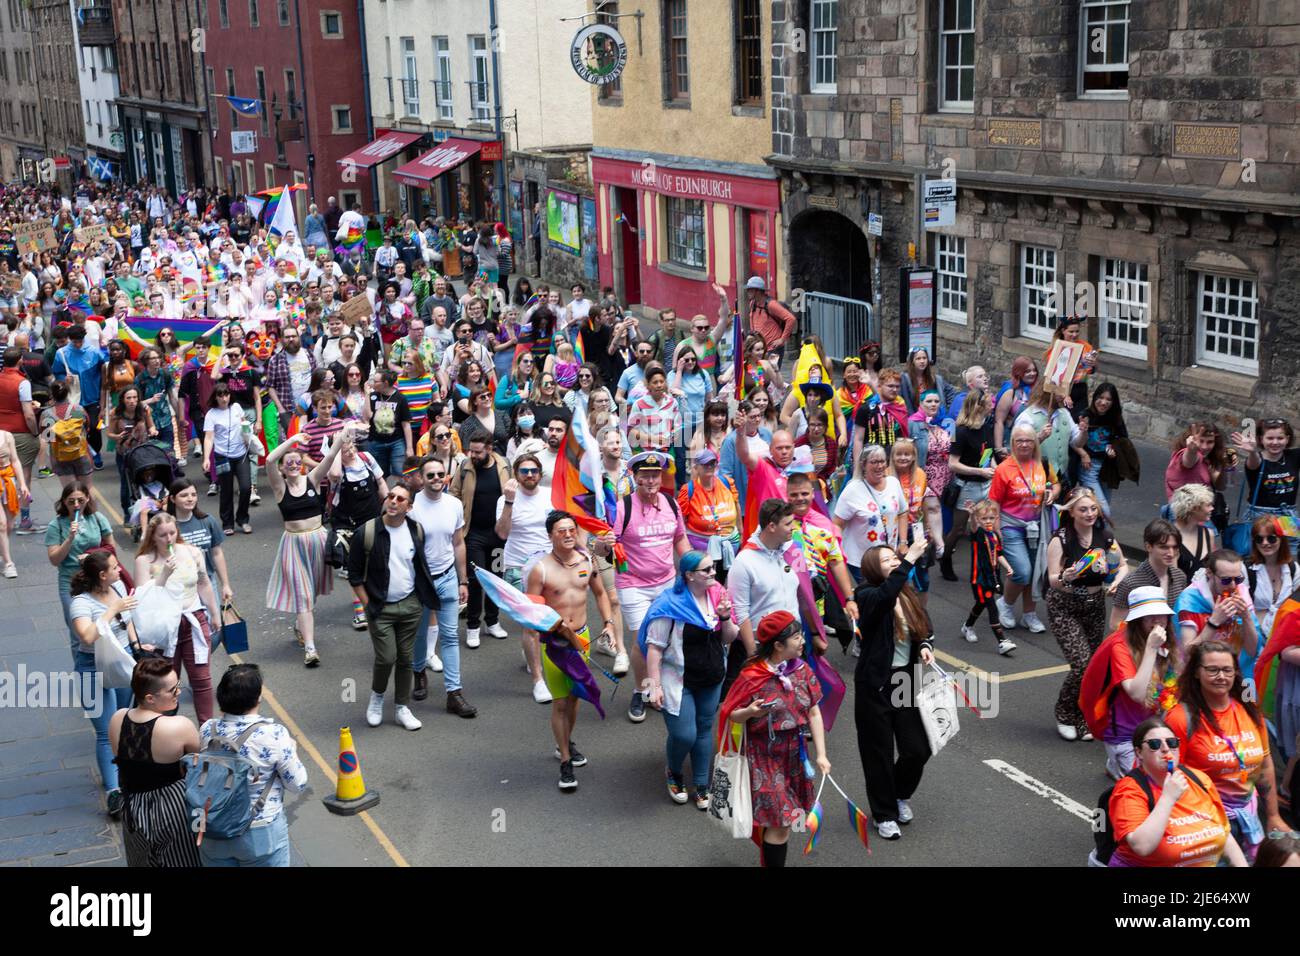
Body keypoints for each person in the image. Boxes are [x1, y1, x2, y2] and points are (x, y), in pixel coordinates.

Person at [716, 610, 831, 867]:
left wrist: (821, 755)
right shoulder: (751, 676)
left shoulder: (802, 671)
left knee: (784, 824)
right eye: (797, 637)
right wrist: (750, 712)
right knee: (781, 824)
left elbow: (814, 712)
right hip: (763, 759)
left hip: (794, 755)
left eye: (802, 635)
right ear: (778, 645)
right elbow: (730, 715)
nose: (803, 641)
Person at [1166, 641, 1288, 862]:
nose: (1221, 676)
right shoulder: (1179, 719)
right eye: (1212, 670)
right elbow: (1168, 776)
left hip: (1248, 818)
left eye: (1227, 670)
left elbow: (1266, 765)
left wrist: (1272, 815)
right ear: (1196, 672)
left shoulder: (1250, 712)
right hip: (1204, 823)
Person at [592, 451, 690, 722]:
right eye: (644, 475)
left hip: (667, 582)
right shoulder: (623, 507)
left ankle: (661, 685)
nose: (650, 480)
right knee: (644, 639)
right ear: (634, 478)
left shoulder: (671, 504)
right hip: (633, 583)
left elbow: (680, 539)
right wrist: (604, 544)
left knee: (668, 638)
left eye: (655, 474)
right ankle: (641, 689)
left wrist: (693, 564)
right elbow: (601, 548)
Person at [526, 510, 617, 791]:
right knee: (561, 702)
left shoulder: (586, 561)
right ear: (550, 535)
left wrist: (609, 624)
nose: (567, 534)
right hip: (555, 644)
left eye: (571, 530)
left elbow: (601, 594)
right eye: (560, 531)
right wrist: (536, 665)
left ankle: (565, 741)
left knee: (576, 698)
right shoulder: (540, 569)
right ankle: (565, 759)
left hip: (583, 638)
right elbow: (531, 613)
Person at [852, 536, 934, 840]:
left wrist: (924, 644)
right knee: (878, 753)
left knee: (917, 749)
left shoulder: (906, 592)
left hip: (905, 681)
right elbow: (885, 597)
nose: (895, 562)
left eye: (895, 559)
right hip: (876, 685)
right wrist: (910, 558)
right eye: (887, 560)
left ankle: (899, 794)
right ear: (874, 568)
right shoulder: (867, 595)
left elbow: (925, 625)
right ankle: (884, 814)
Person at [643, 551, 737, 808]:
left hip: (712, 676)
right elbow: (654, 648)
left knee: (705, 728)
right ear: (689, 575)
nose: (713, 573)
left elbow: (728, 639)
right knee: (685, 734)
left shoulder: (718, 594)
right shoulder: (669, 604)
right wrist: (654, 685)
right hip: (678, 680)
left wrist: (725, 617)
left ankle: (701, 783)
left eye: (713, 568)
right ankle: (674, 771)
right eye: (707, 570)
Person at [349, 480, 440, 730]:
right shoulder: (366, 532)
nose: (393, 501)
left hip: (410, 605)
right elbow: (354, 575)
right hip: (380, 607)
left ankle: (402, 706)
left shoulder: (416, 530)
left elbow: (420, 566)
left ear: (408, 507)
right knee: (386, 657)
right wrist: (369, 606)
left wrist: (420, 600)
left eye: (400, 499)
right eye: (390, 496)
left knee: (406, 659)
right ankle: (377, 698)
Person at [198, 664, 310, 866]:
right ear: (258, 697)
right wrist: (292, 750)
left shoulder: (208, 729)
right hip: (259, 832)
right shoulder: (274, 734)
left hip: (214, 828)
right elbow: (298, 784)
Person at [1105, 715, 1245, 867]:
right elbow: (1141, 846)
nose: (1165, 748)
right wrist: (1168, 798)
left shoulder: (1199, 779)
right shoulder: (1129, 791)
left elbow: (1223, 833)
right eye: (1154, 744)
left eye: (1172, 742)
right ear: (1139, 753)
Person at [1045, 487, 1128, 741]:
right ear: (1071, 512)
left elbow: (1122, 565)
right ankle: (1064, 713)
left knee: (1093, 667)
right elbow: (1052, 579)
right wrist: (1064, 576)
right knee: (1081, 664)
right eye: (1083, 509)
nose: (1090, 513)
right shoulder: (1060, 539)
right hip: (1064, 605)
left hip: (1094, 605)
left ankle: (1083, 716)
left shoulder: (1105, 535)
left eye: (1093, 508)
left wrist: (1117, 582)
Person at [68, 550, 142, 819]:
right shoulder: (80, 603)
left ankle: (121, 773)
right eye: (113, 567)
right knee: (104, 731)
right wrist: (112, 610)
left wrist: (137, 648)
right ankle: (113, 792)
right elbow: (87, 636)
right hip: (92, 668)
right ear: (101, 575)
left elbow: (129, 622)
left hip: (121, 663)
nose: (119, 570)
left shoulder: (119, 587)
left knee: (121, 725)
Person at [108, 657, 202, 867]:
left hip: (132, 808)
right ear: (150, 697)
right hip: (173, 808)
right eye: (172, 690)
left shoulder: (118, 719)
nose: (178, 692)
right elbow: (202, 762)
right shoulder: (178, 726)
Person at [265, 430, 346, 667]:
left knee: (312, 593)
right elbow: (270, 460)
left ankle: (301, 624)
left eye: (297, 462)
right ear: (283, 468)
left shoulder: (311, 479)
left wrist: (342, 437)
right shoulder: (280, 487)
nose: (293, 465)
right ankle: (310, 648)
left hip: (318, 541)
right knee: (303, 595)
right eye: (288, 463)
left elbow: (330, 457)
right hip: (294, 544)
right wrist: (292, 441)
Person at [1083, 587, 1183, 780]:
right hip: (1126, 735)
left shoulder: (1168, 639)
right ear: (1137, 620)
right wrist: (1151, 649)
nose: (1157, 621)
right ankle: (1117, 760)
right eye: (1149, 616)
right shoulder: (1120, 646)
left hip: (1157, 731)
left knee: (1179, 776)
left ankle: (1120, 763)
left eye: (1161, 615)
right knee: (1152, 783)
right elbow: (1137, 694)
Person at [134, 512, 219, 723]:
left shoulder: (191, 552)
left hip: (193, 619)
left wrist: (215, 613)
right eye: (163, 535)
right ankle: (165, 727)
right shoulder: (144, 560)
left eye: (172, 533)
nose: (169, 538)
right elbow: (143, 598)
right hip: (164, 627)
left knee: (201, 678)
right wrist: (163, 575)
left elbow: (204, 583)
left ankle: (207, 729)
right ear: (152, 536)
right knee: (167, 683)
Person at [410, 456, 477, 716]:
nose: (437, 479)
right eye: (431, 475)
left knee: (449, 637)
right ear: (421, 478)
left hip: (448, 578)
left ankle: (454, 693)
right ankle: (418, 672)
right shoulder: (412, 508)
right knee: (419, 635)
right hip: (420, 582)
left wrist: (463, 580)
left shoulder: (454, 505)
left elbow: (458, 543)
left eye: (440, 474)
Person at [989, 424, 1060, 634]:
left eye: (1028, 440)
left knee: (1037, 571)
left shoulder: (1042, 464)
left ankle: (1029, 614)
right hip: (1011, 526)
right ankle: (1006, 605)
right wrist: (996, 529)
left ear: (1035, 443)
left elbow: (1056, 484)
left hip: (1037, 527)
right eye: (1019, 440)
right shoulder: (1004, 469)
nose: (1024, 444)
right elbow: (994, 502)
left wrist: (1052, 494)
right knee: (1022, 571)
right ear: (1012, 443)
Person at [495, 453, 555, 702]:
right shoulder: (506, 499)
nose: (529, 475)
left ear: (539, 474)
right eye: (524, 471)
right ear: (516, 475)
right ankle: (538, 681)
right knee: (531, 623)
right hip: (518, 567)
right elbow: (501, 534)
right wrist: (509, 502)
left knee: (548, 622)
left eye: (533, 471)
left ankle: (533, 653)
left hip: (548, 566)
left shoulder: (552, 495)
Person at [728, 498, 802, 692]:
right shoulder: (744, 562)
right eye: (787, 524)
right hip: (762, 649)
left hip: (790, 646)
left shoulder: (791, 550)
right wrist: (754, 656)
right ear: (771, 526)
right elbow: (740, 611)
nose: (792, 527)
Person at [448, 434, 511, 646]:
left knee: (496, 579)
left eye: (478, 451)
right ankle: (472, 626)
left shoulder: (504, 466)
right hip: (473, 535)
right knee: (475, 581)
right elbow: (454, 493)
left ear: (490, 449)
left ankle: (492, 621)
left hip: (497, 536)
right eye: (471, 451)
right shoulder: (465, 467)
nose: (473, 455)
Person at [941, 388, 997, 580]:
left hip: (986, 484)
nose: (992, 404)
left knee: (985, 526)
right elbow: (953, 464)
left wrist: (994, 469)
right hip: (967, 487)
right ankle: (945, 558)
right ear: (979, 406)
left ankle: (983, 565)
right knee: (958, 528)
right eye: (989, 401)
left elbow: (988, 454)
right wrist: (979, 471)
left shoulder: (987, 426)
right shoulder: (961, 431)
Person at [45, 481, 115, 628]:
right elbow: (54, 559)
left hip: (97, 579)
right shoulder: (56, 525)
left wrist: (91, 555)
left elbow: (111, 549)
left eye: (80, 501)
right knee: (78, 631)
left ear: (88, 499)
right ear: (64, 502)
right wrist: (70, 538)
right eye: (71, 502)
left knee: (103, 626)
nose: (76, 505)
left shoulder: (97, 518)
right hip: (70, 581)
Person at [834, 444, 906, 581]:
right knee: (871, 599)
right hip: (861, 562)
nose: (879, 466)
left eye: (882, 461)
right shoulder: (852, 490)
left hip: (889, 557)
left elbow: (903, 512)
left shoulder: (893, 483)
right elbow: (837, 524)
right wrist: (837, 553)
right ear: (863, 465)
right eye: (874, 462)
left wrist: (903, 542)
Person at [167, 478, 235, 618]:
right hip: (180, 587)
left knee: (214, 626)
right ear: (172, 499)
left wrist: (226, 585)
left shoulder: (207, 521)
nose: (190, 499)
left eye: (193, 494)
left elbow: (217, 554)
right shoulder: (168, 527)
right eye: (184, 495)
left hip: (207, 581)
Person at [1110, 519, 1187, 632]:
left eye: (1174, 547)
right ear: (1148, 547)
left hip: (1171, 645)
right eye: (1164, 547)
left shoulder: (1180, 577)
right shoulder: (1130, 583)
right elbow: (1115, 624)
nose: (1171, 553)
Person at [961, 500, 1017, 655]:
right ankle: (1002, 641)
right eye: (984, 518)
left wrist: (1008, 567)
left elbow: (998, 555)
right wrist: (971, 515)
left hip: (992, 577)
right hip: (979, 578)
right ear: (978, 519)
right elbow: (972, 526)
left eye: (991, 518)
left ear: (996, 518)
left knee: (981, 603)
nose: (988, 521)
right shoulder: (977, 533)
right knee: (991, 606)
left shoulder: (994, 536)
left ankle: (967, 626)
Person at [201, 383, 252, 535]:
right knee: (226, 490)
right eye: (220, 395)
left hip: (241, 453)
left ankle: (243, 519)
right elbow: (209, 438)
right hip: (222, 456)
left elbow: (244, 423)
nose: (224, 398)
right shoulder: (211, 414)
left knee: (245, 487)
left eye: (226, 394)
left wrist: (247, 435)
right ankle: (227, 523)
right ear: (215, 398)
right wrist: (206, 459)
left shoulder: (236, 407)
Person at [1231, 418, 1300, 523]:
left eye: (1280, 438)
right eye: (1270, 438)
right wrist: (1252, 452)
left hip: (1288, 515)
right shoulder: (1256, 458)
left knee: (1292, 540)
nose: (1275, 442)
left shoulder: (1294, 456)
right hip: (1260, 516)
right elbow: (1253, 464)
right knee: (1262, 540)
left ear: (1287, 439)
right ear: (1261, 439)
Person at [1075, 383, 1128, 518]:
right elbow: (1074, 442)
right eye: (1101, 397)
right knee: (1103, 510)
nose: (1103, 402)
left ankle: (1095, 536)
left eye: (1108, 400)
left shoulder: (1115, 418)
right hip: (1089, 468)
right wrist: (1084, 453)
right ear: (1095, 397)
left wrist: (1114, 450)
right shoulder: (1085, 415)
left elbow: (1123, 440)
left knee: (1103, 506)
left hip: (1107, 468)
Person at [1247, 517, 1298, 637]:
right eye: (1259, 539)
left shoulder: (1293, 569)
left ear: (1281, 540)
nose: (1265, 543)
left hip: (1283, 636)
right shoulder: (1246, 569)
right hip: (1254, 637)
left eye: (1271, 538)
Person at [40, 380, 94, 488]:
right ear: (68, 392)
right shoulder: (77, 410)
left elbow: (48, 438)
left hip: (60, 457)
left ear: (52, 395)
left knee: (70, 491)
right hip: (81, 453)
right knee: (88, 488)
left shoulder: (47, 414)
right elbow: (86, 428)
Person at [1165, 422, 1229, 503]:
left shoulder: (1207, 460)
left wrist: (1224, 465)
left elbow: (1220, 486)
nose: (1204, 447)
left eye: (1210, 442)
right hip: (1184, 513)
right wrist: (1191, 451)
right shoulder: (1184, 455)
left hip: (1202, 512)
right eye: (1201, 441)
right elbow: (1188, 462)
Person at [368, 368, 414, 478]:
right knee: (379, 474)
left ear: (386, 383)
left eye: (376, 381)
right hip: (376, 441)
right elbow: (366, 417)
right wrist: (366, 394)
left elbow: (406, 424)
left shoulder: (400, 398)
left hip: (396, 441)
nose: (373, 383)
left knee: (400, 471)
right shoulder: (372, 396)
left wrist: (409, 447)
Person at [1171, 482, 1217, 581]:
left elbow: (1213, 571)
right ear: (1194, 508)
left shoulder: (1209, 534)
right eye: (1208, 505)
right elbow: (1172, 580)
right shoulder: (1170, 537)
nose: (1212, 508)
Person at [993, 357, 1037, 451]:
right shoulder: (1010, 391)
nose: (1032, 374)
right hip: (1009, 443)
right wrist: (999, 448)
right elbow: (999, 421)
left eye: (1034, 370)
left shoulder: (1035, 391)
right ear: (1018, 373)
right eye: (1028, 371)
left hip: (1028, 444)